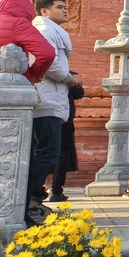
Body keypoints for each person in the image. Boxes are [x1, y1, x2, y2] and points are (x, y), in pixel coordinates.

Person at [31, 0, 81, 225]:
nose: (65, 10)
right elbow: (46, 60)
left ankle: (34, 201)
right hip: (47, 98)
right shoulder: (45, 30)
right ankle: (30, 203)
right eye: (59, 7)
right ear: (44, 11)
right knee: (46, 152)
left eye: (65, 5)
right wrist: (69, 77)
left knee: (46, 152)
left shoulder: (51, 31)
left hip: (53, 97)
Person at [49, 71, 84, 202]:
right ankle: (55, 190)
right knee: (58, 154)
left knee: (49, 152)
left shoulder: (68, 74)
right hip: (59, 116)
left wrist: (76, 83)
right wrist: (72, 80)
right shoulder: (63, 73)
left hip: (56, 117)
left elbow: (79, 94)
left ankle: (51, 189)